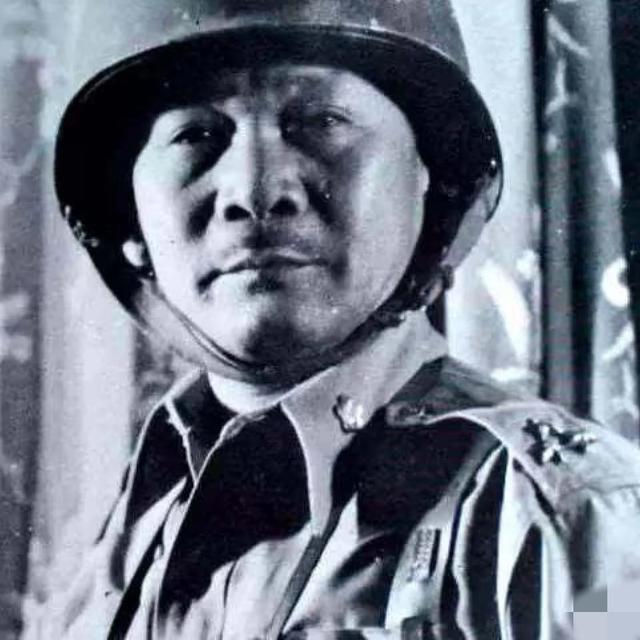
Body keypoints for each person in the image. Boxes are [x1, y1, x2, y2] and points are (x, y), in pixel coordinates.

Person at [29, 0, 640, 638]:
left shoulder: (580, 526)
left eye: (322, 120)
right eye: (196, 136)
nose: (256, 192)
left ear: (428, 180)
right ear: (130, 224)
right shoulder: (120, 545)